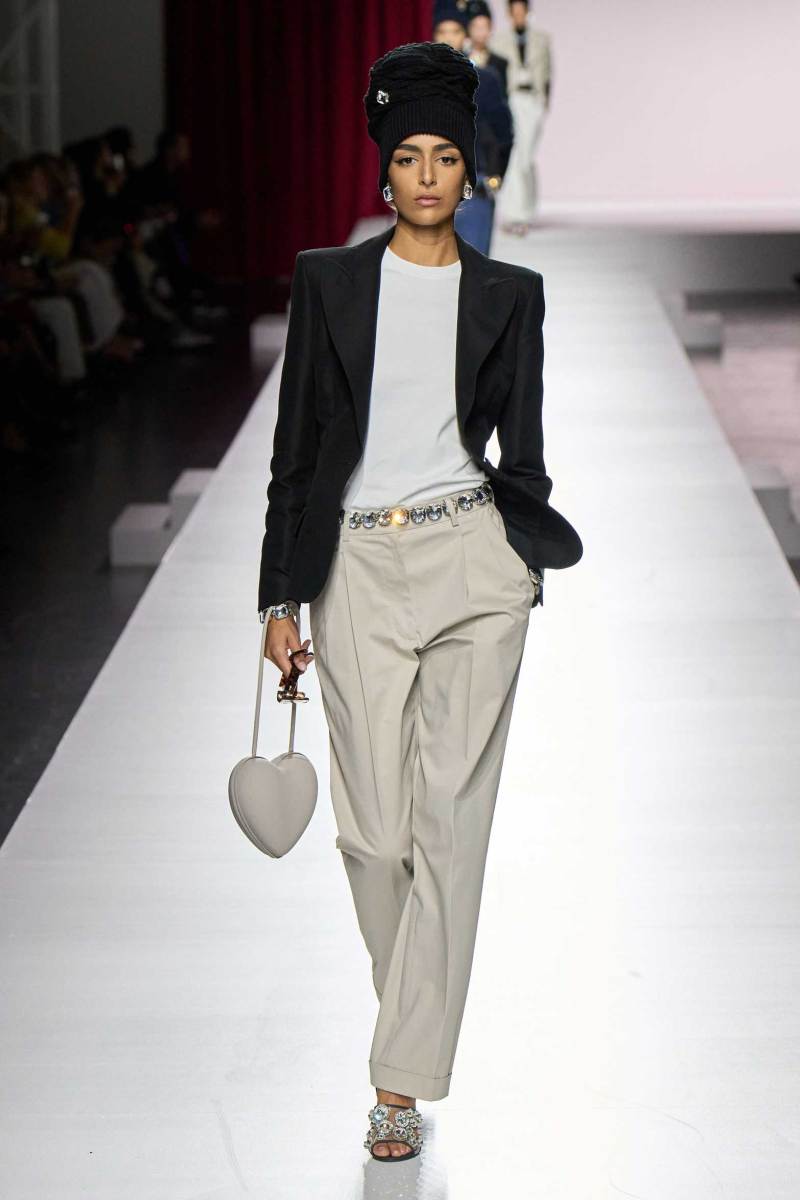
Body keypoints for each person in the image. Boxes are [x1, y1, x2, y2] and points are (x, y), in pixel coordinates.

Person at [257, 40, 582, 1162]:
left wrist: (517, 563)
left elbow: (525, 455)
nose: (428, 176)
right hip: (354, 567)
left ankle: (398, 1084)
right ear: (384, 168)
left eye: (446, 156)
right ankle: (414, 1019)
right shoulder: (329, 282)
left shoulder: (509, 295)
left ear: (467, 167)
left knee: (451, 825)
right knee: (371, 834)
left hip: (472, 569)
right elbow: (296, 453)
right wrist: (280, 599)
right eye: (409, 157)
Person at [433, 3, 513, 255]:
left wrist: (496, 174)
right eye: (442, 31)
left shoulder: (485, 80)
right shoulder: (416, 82)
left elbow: (504, 133)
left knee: (472, 268)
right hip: (428, 189)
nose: (448, 38)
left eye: (455, 31)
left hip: (473, 185)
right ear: (433, 36)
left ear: (465, 35)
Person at [491, 0, 553, 234]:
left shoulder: (542, 39)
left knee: (526, 157)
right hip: (511, 99)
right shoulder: (498, 40)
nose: (518, 15)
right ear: (509, 14)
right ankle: (515, 214)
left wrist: (543, 103)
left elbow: (548, 75)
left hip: (532, 100)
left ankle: (527, 210)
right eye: (514, 12)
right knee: (514, 156)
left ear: (527, 12)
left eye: (522, 11)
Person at [465, 0, 510, 98]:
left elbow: (503, 97)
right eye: (476, 26)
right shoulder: (460, 60)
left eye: (484, 26)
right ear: (468, 28)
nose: (480, 31)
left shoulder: (500, 63)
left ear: (490, 28)